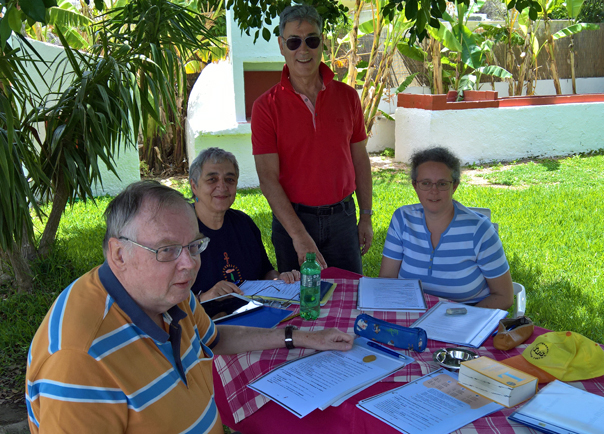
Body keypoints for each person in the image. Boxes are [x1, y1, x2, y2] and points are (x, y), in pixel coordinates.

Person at [25, 181, 353, 433]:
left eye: (194, 246)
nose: (189, 265)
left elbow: (213, 338)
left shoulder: (168, 291)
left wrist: (301, 337)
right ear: (119, 254)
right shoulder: (78, 359)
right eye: (167, 249)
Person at [251, 4, 373, 275]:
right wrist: (298, 235)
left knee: (349, 296)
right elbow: (268, 179)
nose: (303, 50)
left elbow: (360, 159)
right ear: (282, 46)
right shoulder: (265, 107)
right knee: (296, 305)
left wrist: (366, 215)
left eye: (311, 40)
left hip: (342, 219)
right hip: (292, 220)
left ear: (322, 43)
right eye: (294, 42)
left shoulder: (348, 97)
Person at [379, 147, 514, 309]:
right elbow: (387, 279)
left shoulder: (480, 230)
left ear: (454, 186)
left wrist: (464, 319)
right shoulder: (402, 219)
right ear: (415, 186)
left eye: (442, 184)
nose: (433, 191)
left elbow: (504, 296)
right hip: (408, 312)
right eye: (426, 183)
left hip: (466, 318)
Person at [189, 147, 300, 302]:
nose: (222, 187)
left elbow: (266, 272)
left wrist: (281, 280)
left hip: (251, 315)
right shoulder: (181, 230)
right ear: (194, 186)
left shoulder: (244, 224)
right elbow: (165, 304)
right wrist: (206, 297)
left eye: (230, 179)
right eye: (212, 179)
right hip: (204, 322)